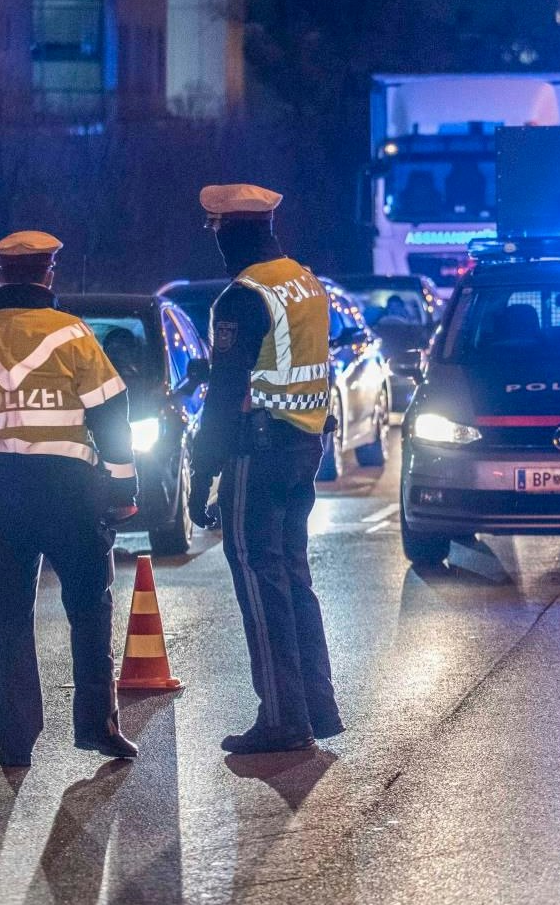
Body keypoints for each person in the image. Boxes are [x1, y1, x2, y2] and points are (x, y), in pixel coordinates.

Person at [0, 231, 140, 768]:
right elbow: (112, 414)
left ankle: (15, 740)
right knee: (89, 608)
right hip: (70, 493)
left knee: (7, 614)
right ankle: (98, 726)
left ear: (1, 276)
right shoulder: (73, 336)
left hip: (0, 493)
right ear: (49, 274)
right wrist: (122, 487)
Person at [191, 184, 343, 754]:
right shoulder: (305, 283)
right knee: (293, 577)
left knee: (258, 577)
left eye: (216, 230)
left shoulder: (243, 296)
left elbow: (225, 392)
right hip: (304, 446)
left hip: (257, 450)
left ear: (228, 230)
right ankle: (316, 705)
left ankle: (282, 716)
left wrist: (204, 472)